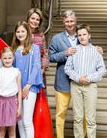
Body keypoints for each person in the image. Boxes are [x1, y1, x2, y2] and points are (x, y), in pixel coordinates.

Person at [48, 10, 103, 138]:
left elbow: (90, 51)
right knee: (61, 113)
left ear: (76, 20)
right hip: (63, 81)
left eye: (72, 21)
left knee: (83, 114)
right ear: (63, 22)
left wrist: (98, 49)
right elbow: (50, 57)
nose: (69, 23)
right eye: (67, 21)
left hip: (82, 82)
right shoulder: (57, 38)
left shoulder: (81, 35)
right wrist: (65, 53)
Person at [64, 23, 106, 138]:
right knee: (77, 117)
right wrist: (78, 78)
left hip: (90, 87)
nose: (82, 37)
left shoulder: (96, 51)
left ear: (89, 35)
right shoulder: (74, 50)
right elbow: (67, 68)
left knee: (90, 118)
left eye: (84, 34)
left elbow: (102, 70)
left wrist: (88, 78)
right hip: (76, 86)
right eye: (79, 35)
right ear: (77, 37)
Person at [11, 21, 44, 138]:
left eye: (22, 31)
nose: (20, 34)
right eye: (18, 31)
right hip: (17, 88)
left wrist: (28, 85)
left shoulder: (34, 48)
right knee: (19, 120)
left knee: (27, 121)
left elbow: (36, 67)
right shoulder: (14, 50)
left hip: (30, 87)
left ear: (28, 32)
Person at [0, 47, 22, 138]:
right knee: (1, 130)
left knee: (12, 130)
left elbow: (19, 91)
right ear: (1, 58)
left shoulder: (16, 72)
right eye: (5, 58)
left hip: (12, 102)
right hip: (0, 102)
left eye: (9, 58)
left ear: (13, 58)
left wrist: (19, 107)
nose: (7, 60)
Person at [26, 8, 49, 78]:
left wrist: (43, 69)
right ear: (28, 19)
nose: (35, 21)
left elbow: (45, 53)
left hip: (39, 68)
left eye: (37, 19)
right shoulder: (22, 33)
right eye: (33, 18)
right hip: (25, 67)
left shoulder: (41, 35)